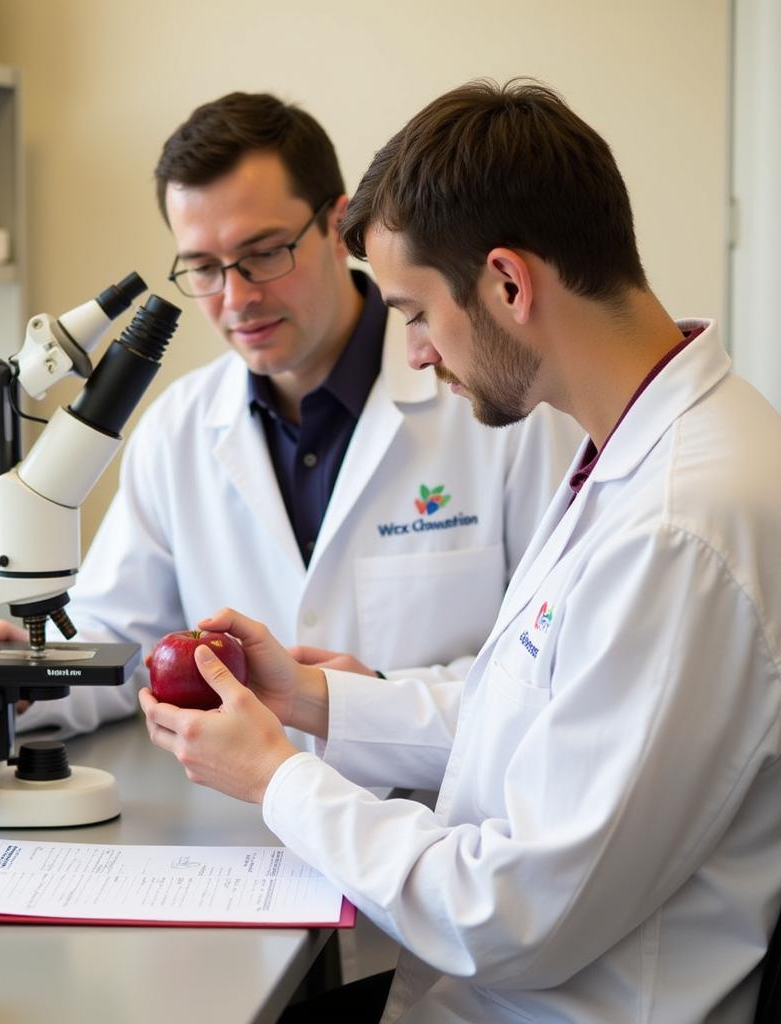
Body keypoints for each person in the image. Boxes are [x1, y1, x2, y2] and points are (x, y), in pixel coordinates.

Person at [139, 79, 781, 1023]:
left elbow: (508, 914)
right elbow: (529, 709)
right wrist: (317, 701)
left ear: (508, 283)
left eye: (415, 313)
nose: (421, 353)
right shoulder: (638, 449)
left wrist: (279, 779)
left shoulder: (680, 525)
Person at [0, 92, 577, 739]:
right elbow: (123, 641)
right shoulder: (177, 429)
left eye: (265, 253)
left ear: (338, 224)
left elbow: (550, 664)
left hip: (435, 816)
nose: (238, 298)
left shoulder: (499, 408)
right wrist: (20, 677)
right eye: (204, 269)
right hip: (237, 822)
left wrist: (363, 706)